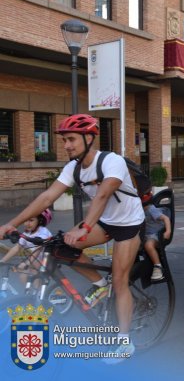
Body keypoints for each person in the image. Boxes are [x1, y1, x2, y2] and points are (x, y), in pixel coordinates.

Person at [0, 114, 144, 363]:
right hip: (104, 221)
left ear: (89, 138)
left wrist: (84, 227)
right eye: (64, 140)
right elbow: (47, 198)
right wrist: (11, 224)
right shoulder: (73, 168)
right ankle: (100, 285)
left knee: (120, 281)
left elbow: (102, 195)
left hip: (129, 225)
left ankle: (124, 342)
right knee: (60, 247)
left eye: (71, 139)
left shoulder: (112, 161)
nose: (66, 145)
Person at [0, 209, 53, 286]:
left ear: (40, 221)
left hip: (46, 262)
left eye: (31, 220)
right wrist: (2, 261)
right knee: (23, 275)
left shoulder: (43, 233)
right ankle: (30, 294)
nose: (27, 223)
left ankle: (37, 293)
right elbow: (17, 247)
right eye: (26, 221)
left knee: (33, 271)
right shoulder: (28, 233)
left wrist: (26, 263)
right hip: (34, 261)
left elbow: (37, 251)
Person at [142, 196, 171, 281]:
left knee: (148, 245)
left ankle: (158, 266)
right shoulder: (138, 210)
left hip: (155, 235)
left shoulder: (151, 209)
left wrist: (168, 231)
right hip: (145, 235)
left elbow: (166, 218)